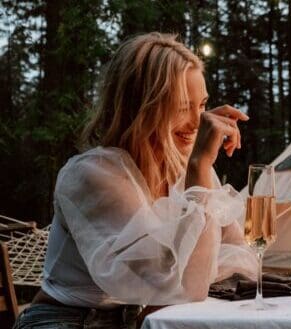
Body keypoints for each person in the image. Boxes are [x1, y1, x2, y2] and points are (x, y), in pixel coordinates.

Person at [14, 32, 257, 328]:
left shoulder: (188, 169)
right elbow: (169, 280)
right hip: (67, 320)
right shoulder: (93, 174)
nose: (198, 123)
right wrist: (200, 167)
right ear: (144, 107)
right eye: (182, 107)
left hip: (138, 319)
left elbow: (237, 254)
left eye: (202, 105)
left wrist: (198, 171)